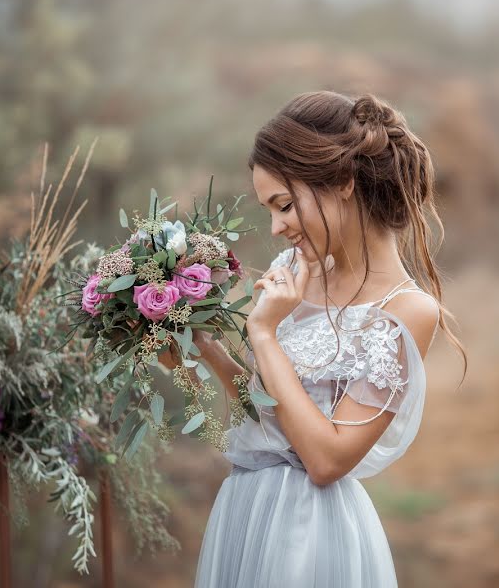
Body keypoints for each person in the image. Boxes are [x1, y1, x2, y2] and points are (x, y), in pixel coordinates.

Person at [187, 91, 467, 587]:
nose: (275, 228)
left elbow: (326, 459)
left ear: (341, 181)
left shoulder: (405, 311)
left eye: (285, 205)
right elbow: (268, 407)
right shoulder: (293, 271)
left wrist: (264, 332)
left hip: (309, 529)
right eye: (270, 210)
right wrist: (201, 346)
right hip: (243, 511)